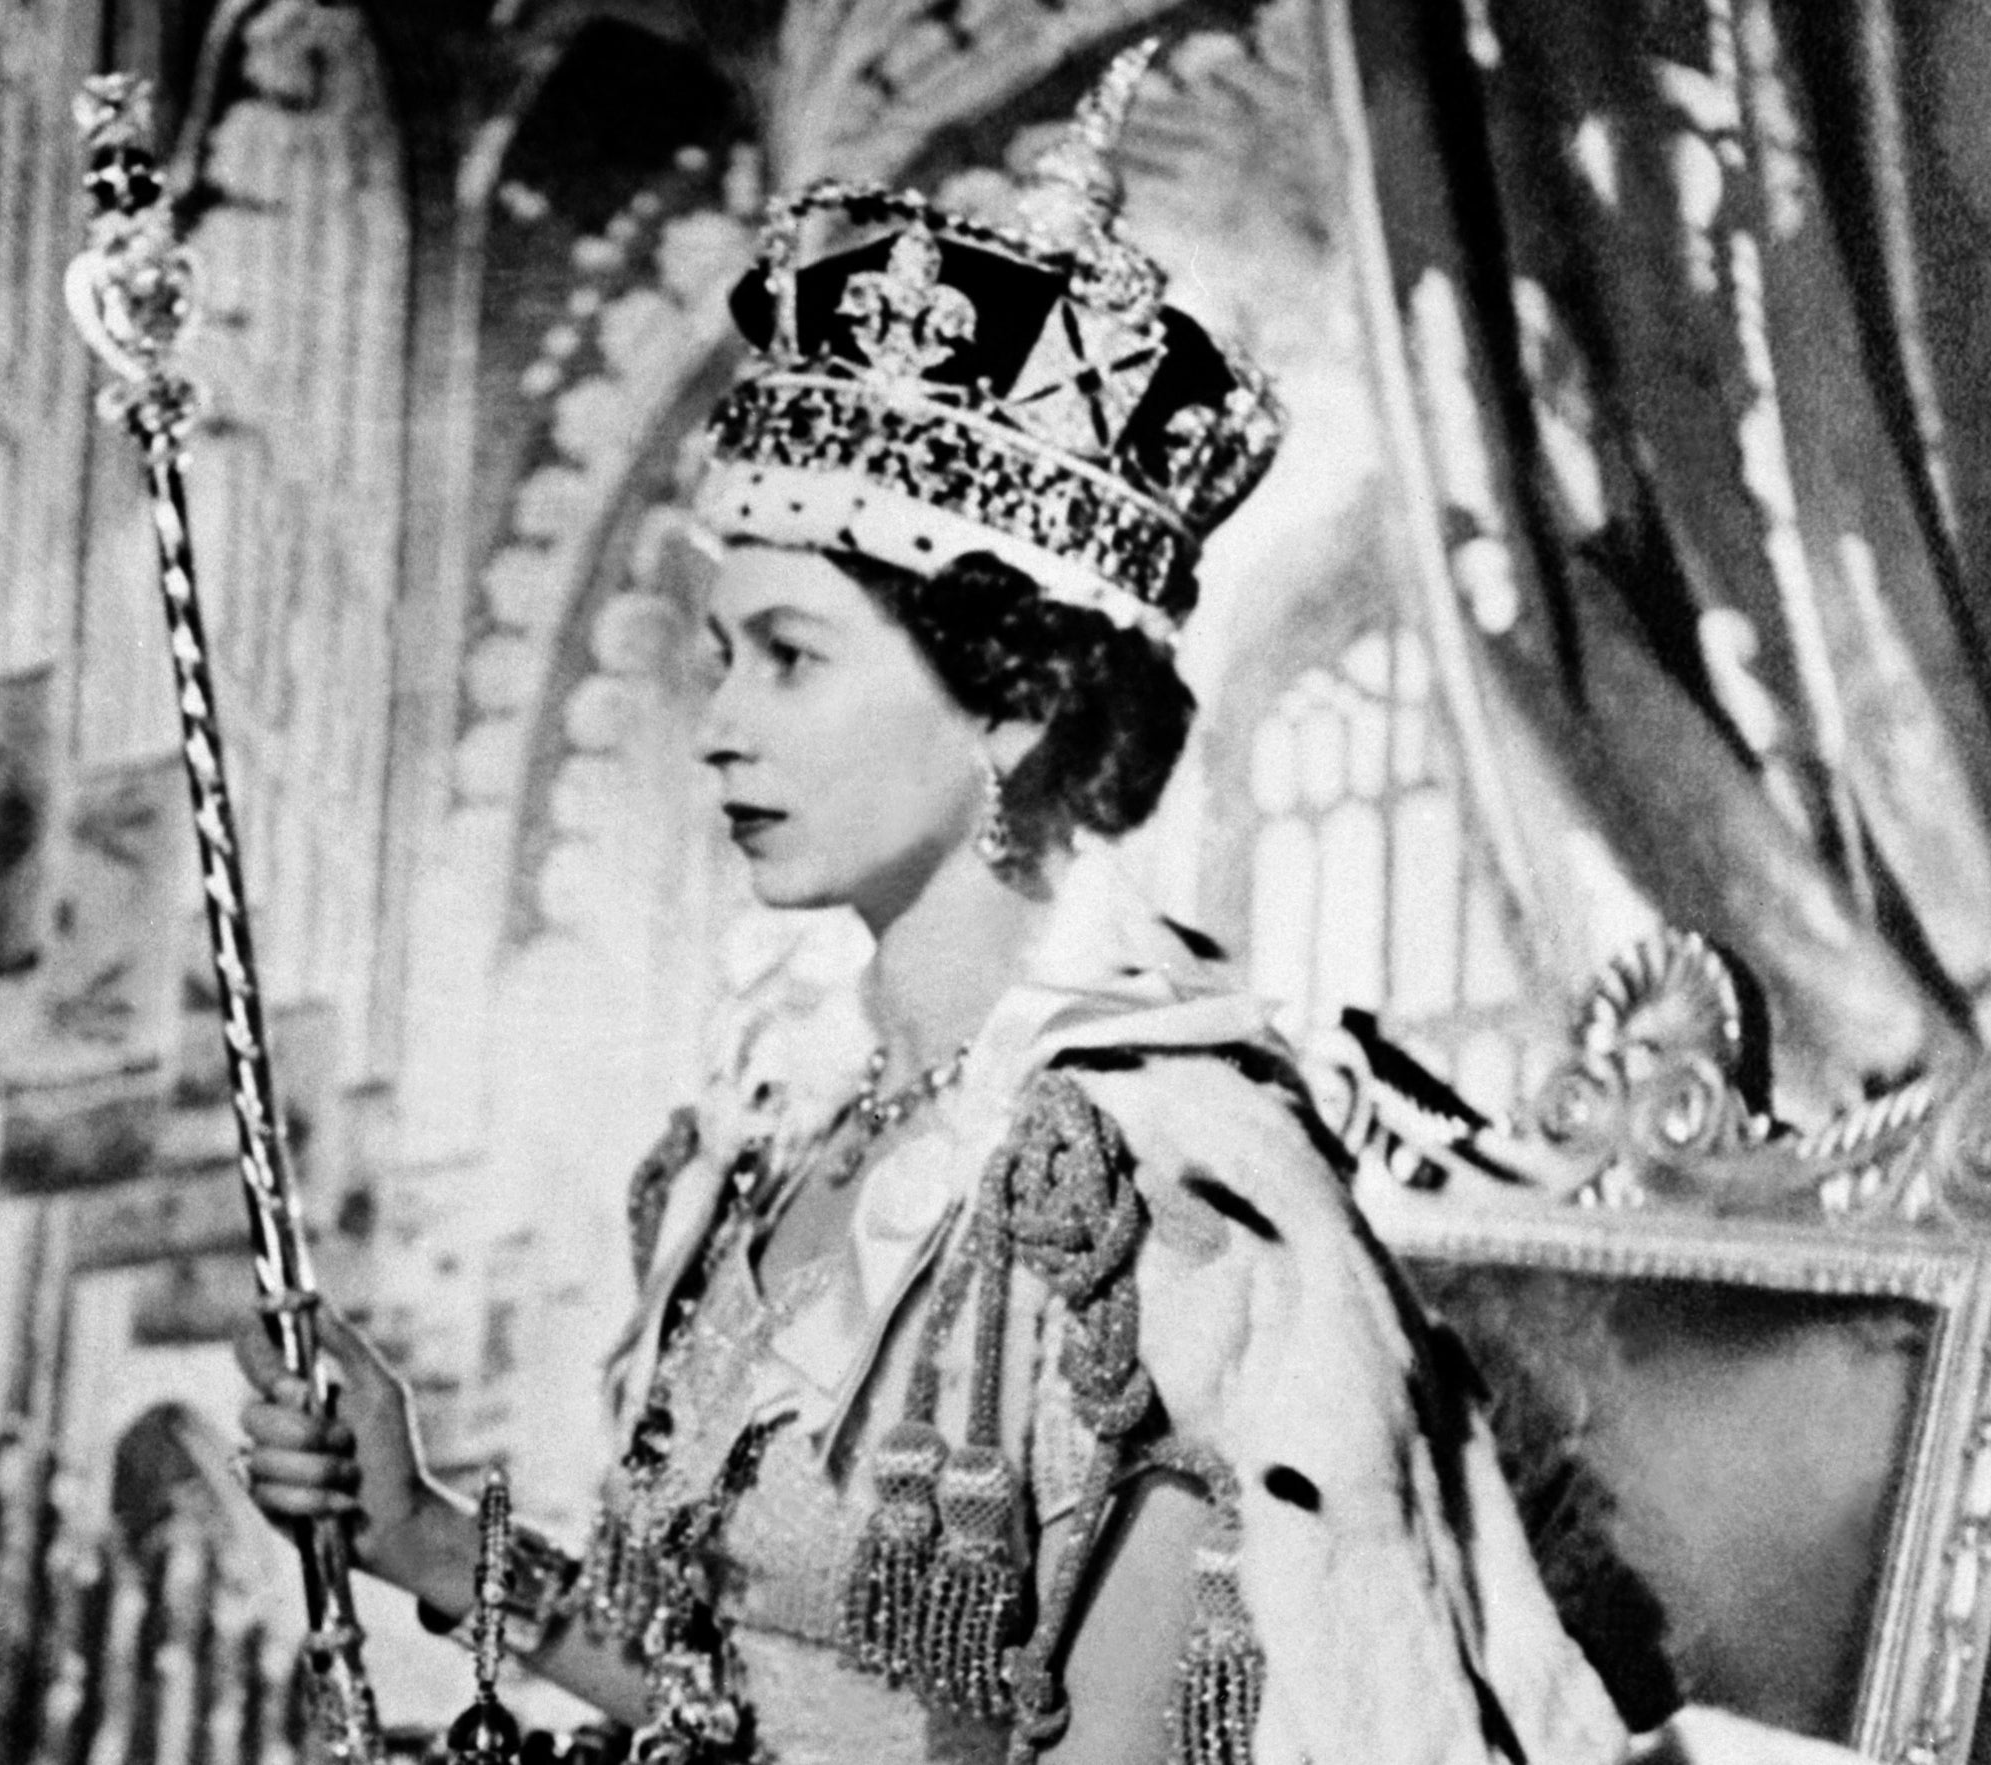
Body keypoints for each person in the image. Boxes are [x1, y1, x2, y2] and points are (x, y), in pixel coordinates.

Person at [238, 41, 1863, 1765]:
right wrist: (411, 1524)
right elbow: (739, 1700)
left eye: (790, 657)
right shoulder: (782, 1135)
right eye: (720, 653)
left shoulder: (1169, 1200)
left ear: (1010, 702)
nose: (719, 722)